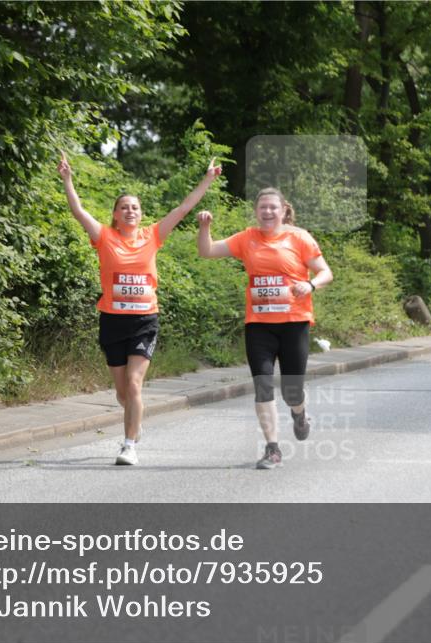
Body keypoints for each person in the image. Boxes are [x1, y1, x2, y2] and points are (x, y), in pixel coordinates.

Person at [58, 151, 221, 466]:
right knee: (123, 394)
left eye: (134, 207)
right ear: (115, 214)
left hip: (144, 321)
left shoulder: (153, 236)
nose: (129, 211)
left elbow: (184, 207)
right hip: (112, 322)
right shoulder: (104, 237)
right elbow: (77, 211)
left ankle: (128, 445)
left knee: (134, 384)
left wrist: (208, 179)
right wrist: (67, 179)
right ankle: (135, 420)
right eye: (124, 207)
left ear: (141, 214)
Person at [196, 188, 333, 470]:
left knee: (292, 391)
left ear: (283, 210)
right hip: (259, 325)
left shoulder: (299, 237)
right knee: (263, 386)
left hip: (294, 323)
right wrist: (204, 228)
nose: (268, 212)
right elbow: (206, 251)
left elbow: (325, 272)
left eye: (273, 208)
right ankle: (272, 449)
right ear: (256, 211)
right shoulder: (247, 238)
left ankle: (299, 413)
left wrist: (309, 285)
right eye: (263, 208)